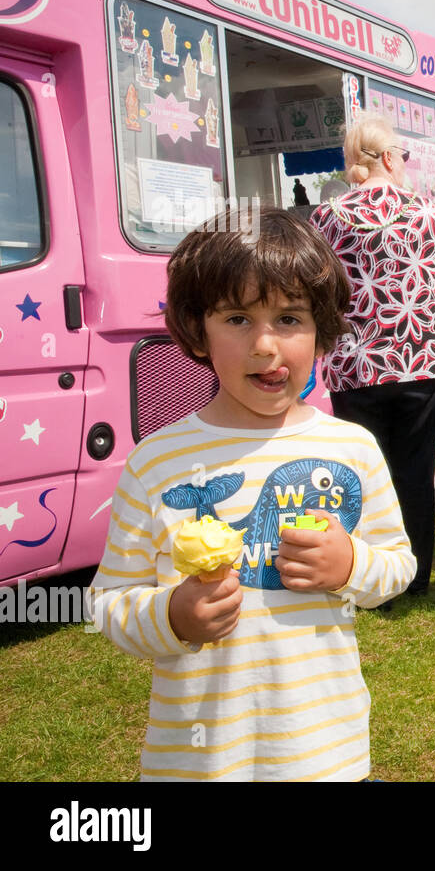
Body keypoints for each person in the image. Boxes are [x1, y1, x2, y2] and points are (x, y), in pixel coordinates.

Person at [90, 207, 414, 781]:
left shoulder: (352, 448)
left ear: (321, 332)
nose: (266, 345)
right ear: (197, 329)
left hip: (324, 755)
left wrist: (349, 565)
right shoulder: (155, 463)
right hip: (200, 761)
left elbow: (396, 564)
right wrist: (171, 615)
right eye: (238, 318)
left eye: (289, 318)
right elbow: (110, 599)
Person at [311, 114, 435, 595]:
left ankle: (362, 574)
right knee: (415, 470)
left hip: (353, 361)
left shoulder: (328, 217)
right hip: (418, 358)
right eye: (403, 156)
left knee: (361, 471)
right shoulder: (431, 212)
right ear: (387, 157)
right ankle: (413, 577)